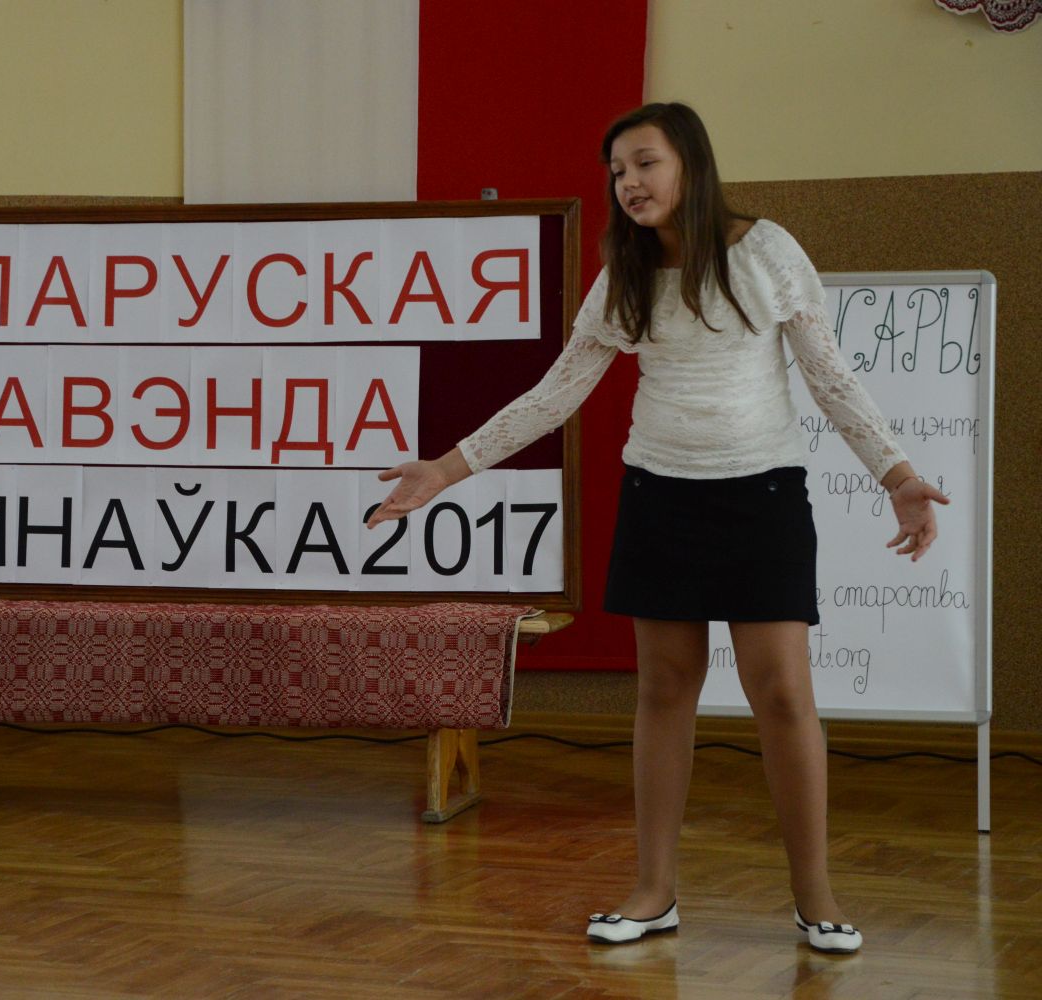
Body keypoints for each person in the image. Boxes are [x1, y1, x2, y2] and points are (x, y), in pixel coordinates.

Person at [366, 102, 948, 954]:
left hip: (763, 496)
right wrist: (446, 469)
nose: (629, 183)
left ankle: (816, 896)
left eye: (645, 163)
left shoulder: (765, 251)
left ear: (690, 165)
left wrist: (896, 476)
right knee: (665, 692)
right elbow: (556, 393)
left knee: (783, 693)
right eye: (617, 171)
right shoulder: (625, 274)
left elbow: (830, 376)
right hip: (660, 497)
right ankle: (653, 893)